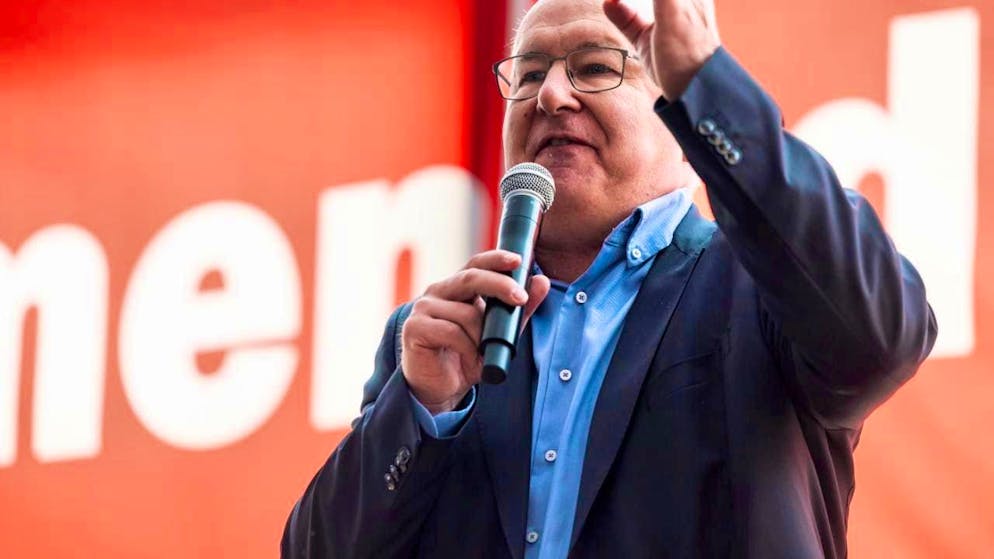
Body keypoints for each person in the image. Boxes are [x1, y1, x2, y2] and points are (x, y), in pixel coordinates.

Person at [282, 0, 937, 556]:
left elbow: (882, 335)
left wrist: (705, 79)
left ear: (681, 121)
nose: (551, 94)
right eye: (529, 72)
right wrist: (420, 408)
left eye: (595, 67)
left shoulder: (758, 287)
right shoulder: (441, 337)